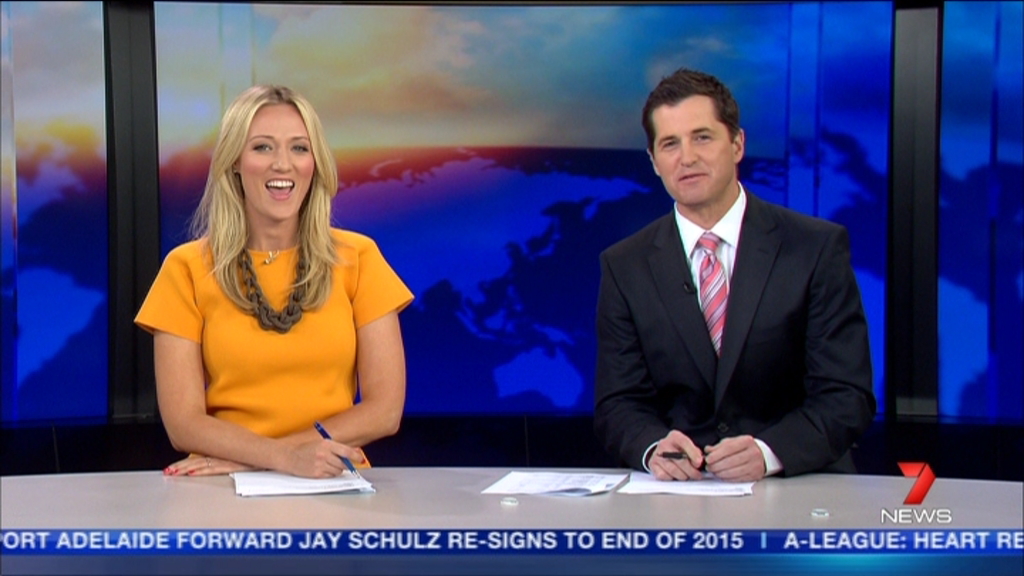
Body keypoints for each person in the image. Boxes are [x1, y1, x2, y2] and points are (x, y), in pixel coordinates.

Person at [593, 68, 875, 483]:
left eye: (702, 137)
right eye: (670, 144)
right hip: (679, 493)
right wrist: (653, 448)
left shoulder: (814, 247)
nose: (687, 157)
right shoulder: (625, 265)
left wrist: (768, 453)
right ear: (654, 162)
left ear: (737, 144)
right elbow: (618, 404)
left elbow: (846, 396)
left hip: (796, 485)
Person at [135, 84, 413, 479]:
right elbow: (183, 424)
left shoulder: (358, 258)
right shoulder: (186, 269)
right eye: (263, 147)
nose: (282, 164)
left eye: (299, 148)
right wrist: (282, 458)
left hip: (330, 477)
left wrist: (269, 457)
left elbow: (384, 410)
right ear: (234, 161)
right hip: (223, 485)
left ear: (314, 162)